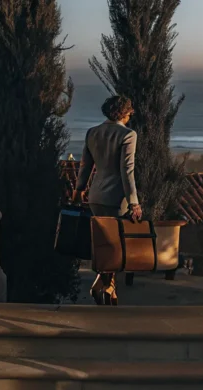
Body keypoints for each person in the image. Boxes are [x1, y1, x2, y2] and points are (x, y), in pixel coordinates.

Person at [71, 95, 143, 305]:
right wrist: (134, 203)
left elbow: (85, 166)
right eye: (129, 112)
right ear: (125, 113)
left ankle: (106, 288)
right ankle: (105, 286)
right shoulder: (128, 135)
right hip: (116, 197)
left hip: (95, 195)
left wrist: (79, 190)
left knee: (104, 244)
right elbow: (127, 171)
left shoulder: (92, 133)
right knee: (115, 246)